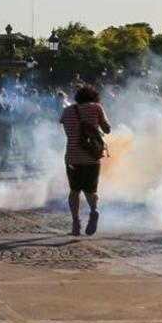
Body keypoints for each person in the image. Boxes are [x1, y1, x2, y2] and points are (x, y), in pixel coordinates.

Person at [60, 85, 112, 236]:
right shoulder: (96, 108)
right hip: (92, 158)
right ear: (93, 97)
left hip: (72, 157)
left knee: (74, 191)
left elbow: (67, 132)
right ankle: (94, 210)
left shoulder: (67, 111)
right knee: (91, 190)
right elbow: (107, 129)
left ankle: (76, 223)